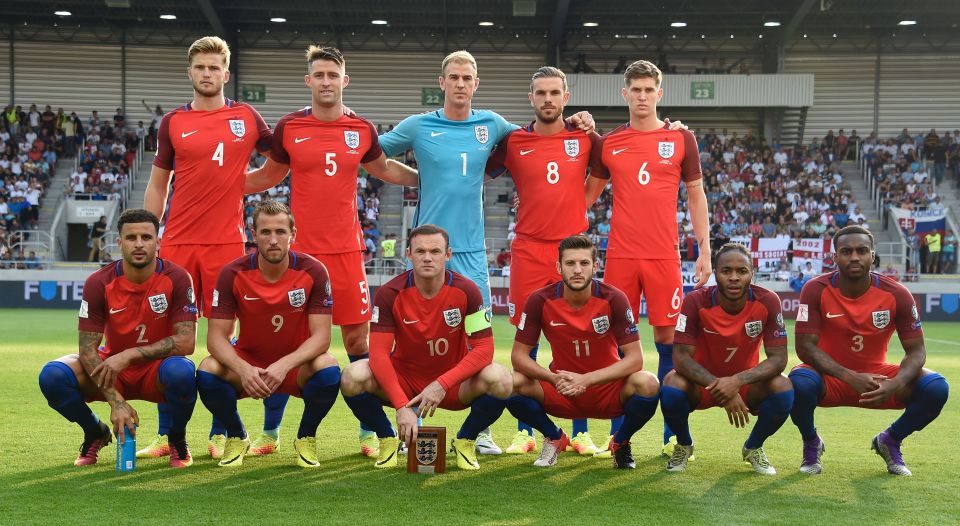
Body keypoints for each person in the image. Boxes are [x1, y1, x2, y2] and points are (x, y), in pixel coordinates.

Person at [376, 50, 594, 455]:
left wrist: (579, 121)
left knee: (478, 344)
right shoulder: (418, 125)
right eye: (454, 77)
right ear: (441, 83)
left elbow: (537, 136)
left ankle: (480, 431)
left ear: (476, 84)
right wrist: (417, 177)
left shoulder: (492, 125)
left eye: (467, 78)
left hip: (472, 255)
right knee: (413, 344)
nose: (460, 83)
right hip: (429, 252)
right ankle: (410, 424)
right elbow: (369, 154)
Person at [244, 46, 420, 458]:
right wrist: (215, 185)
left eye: (333, 74)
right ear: (308, 81)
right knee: (287, 342)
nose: (326, 81)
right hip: (298, 255)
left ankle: (368, 431)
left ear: (345, 80)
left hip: (345, 252)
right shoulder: (289, 127)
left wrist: (430, 178)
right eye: (319, 74)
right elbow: (267, 175)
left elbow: (385, 169)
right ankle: (271, 433)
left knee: (360, 340)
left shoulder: (361, 129)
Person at [140, 35, 286, 461]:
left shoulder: (245, 116)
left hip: (226, 244)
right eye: (200, 67)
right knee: (171, 339)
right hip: (179, 243)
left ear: (227, 73)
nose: (207, 74)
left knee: (233, 341)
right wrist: (151, 234)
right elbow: (157, 182)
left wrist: (242, 185)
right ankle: (167, 434)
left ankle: (223, 430)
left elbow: (279, 159)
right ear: (190, 73)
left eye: (214, 67)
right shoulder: (172, 122)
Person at [485, 66, 612, 456]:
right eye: (540, 93)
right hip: (528, 249)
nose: (547, 100)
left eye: (554, 93)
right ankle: (525, 430)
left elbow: (602, 175)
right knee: (528, 339)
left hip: (573, 249)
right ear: (531, 99)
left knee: (580, 337)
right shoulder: (513, 140)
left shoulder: (585, 138)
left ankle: (581, 429)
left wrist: (580, 204)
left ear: (566, 97)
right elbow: (481, 170)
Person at [590, 59, 711, 456]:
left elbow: (696, 195)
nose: (642, 97)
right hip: (621, 257)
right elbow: (585, 194)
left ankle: (671, 437)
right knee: (615, 345)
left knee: (668, 343)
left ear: (660, 94)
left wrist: (704, 246)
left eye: (649, 90)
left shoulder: (681, 140)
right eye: (635, 90)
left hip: (663, 257)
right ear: (624, 94)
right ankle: (618, 436)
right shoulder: (609, 143)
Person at [339, 225, 512, 470]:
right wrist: (401, 406)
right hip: (405, 382)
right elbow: (378, 354)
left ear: (448, 254)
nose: (428, 257)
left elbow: (484, 349)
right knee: (351, 376)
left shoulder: (468, 291)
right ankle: (388, 439)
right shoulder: (390, 293)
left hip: (452, 385)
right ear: (409, 254)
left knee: (502, 379)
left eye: (435, 251)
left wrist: (442, 384)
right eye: (420, 251)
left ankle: (465, 440)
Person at [38, 209, 199, 468]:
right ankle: (94, 431)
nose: (138, 244)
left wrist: (128, 355)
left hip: (156, 372)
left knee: (182, 371)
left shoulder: (177, 278)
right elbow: (87, 349)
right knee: (53, 376)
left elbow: (186, 342)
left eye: (146, 237)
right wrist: (116, 402)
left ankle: (177, 439)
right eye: (131, 237)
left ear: (158, 242)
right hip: (111, 371)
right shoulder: (98, 282)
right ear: (119, 242)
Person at [789, 225, 949, 476]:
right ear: (834, 257)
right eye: (846, 251)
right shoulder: (815, 288)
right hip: (829, 378)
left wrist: (895, 384)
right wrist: (849, 376)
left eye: (862, 251)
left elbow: (916, 352)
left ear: (873, 255)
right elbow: (805, 347)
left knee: (936, 387)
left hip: (877, 379)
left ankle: (891, 439)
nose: (854, 257)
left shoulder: (897, 294)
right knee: (798, 383)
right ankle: (812, 442)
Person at [196, 201, 340, 468]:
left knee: (328, 366)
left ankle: (306, 437)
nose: (273, 240)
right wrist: (244, 369)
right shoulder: (232, 273)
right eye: (265, 232)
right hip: (249, 359)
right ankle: (237, 436)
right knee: (207, 369)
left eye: (280, 232)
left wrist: (284, 366)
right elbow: (215, 338)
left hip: (295, 365)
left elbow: (322, 337)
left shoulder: (314, 271)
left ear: (292, 235)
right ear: (253, 234)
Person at [505, 235, 660, 469]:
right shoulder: (540, 299)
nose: (577, 270)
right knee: (508, 383)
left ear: (595, 266)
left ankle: (620, 442)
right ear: (559, 267)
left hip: (607, 389)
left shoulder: (614, 298)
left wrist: (587, 379)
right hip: (561, 386)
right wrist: (553, 378)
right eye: (570, 263)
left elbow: (635, 359)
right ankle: (554, 436)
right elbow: (518, 356)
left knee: (648, 383)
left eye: (584, 263)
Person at [661, 244, 794, 475]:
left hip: (744, 387)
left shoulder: (768, 301)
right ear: (715, 272)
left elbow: (779, 359)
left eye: (742, 271)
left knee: (784, 387)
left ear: (752, 272)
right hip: (701, 385)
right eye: (726, 271)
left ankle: (754, 447)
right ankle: (683, 444)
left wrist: (737, 382)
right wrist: (723, 387)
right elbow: (681, 359)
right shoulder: (695, 301)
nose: (734, 277)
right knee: (672, 383)